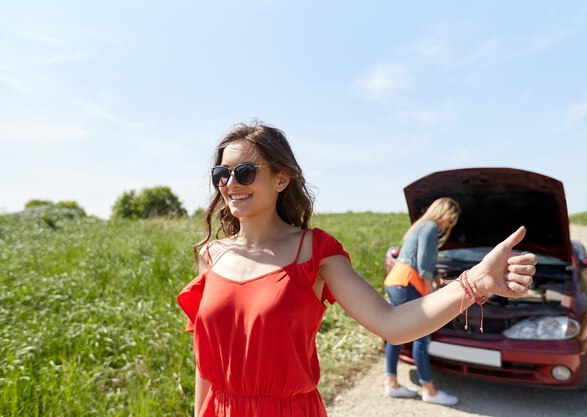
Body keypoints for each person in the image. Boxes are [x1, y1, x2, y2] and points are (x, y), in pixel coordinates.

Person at [177, 121, 536, 417]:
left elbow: (392, 325)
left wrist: (474, 281)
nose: (231, 183)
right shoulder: (212, 255)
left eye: (245, 172)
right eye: (221, 173)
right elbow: (204, 364)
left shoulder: (314, 253)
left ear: (281, 179)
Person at [383, 197, 461, 405]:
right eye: (451, 221)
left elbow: (427, 265)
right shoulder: (430, 227)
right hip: (408, 283)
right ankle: (430, 390)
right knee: (422, 335)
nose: (449, 226)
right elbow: (424, 267)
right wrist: (432, 295)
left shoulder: (422, 226)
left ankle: (391, 383)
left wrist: (436, 279)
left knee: (395, 333)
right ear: (445, 214)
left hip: (397, 281)